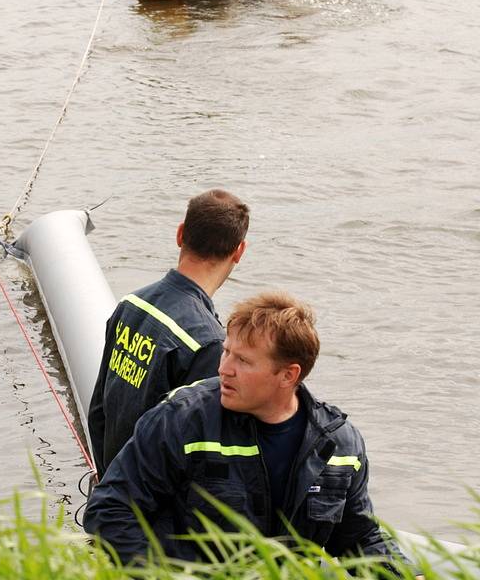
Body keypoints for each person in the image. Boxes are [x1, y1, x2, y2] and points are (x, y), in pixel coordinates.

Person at [84, 291, 417, 573]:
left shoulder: (340, 447)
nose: (223, 368)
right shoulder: (181, 420)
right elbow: (109, 512)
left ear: (288, 375)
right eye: (226, 351)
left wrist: (405, 573)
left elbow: (358, 537)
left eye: (242, 360)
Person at [87, 189, 249, 476]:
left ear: (180, 234)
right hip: (149, 506)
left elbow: (98, 410)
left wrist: (107, 489)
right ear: (239, 251)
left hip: (114, 490)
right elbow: (201, 451)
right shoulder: (209, 343)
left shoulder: (130, 305)